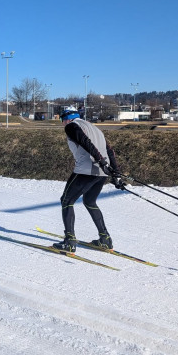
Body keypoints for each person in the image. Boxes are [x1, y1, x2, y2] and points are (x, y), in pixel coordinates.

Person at [52, 106, 128, 253]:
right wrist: (115, 173)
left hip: (86, 170)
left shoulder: (72, 126)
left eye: (62, 120)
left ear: (66, 118)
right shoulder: (95, 128)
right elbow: (110, 151)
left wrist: (99, 159)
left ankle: (69, 241)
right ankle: (105, 239)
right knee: (89, 201)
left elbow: (85, 141)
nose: (62, 124)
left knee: (67, 201)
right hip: (102, 172)